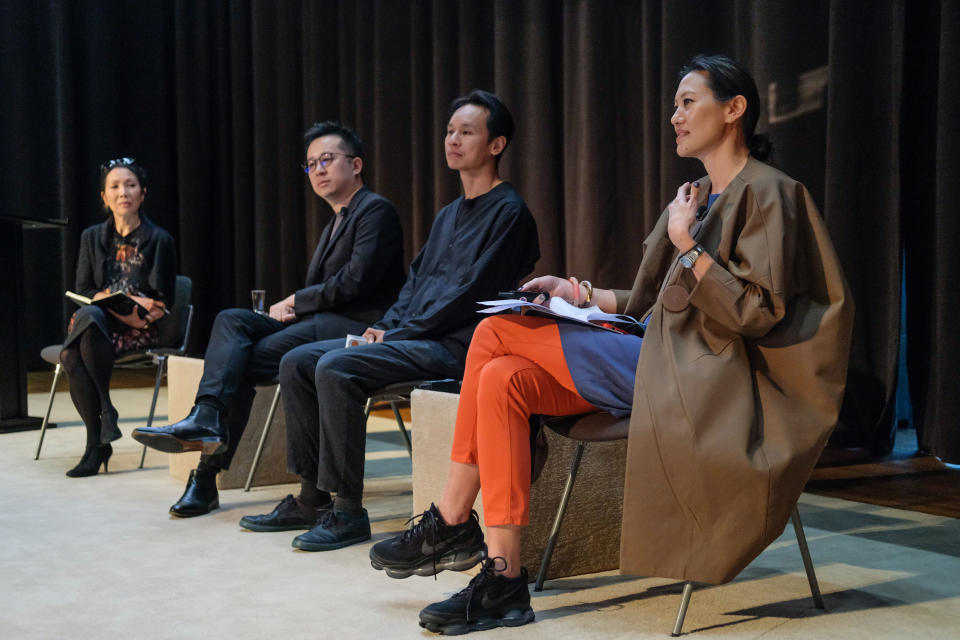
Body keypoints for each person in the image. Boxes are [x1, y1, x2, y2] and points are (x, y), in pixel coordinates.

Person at [369, 55, 854, 635]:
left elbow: (756, 312)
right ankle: (503, 579)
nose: (674, 116)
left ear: (734, 110)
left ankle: (451, 518)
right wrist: (573, 292)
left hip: (713, 376)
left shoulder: (772, 192)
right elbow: (640, 300)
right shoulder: (694, 194)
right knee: (502, 379)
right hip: (658, 357)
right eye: (674, 105)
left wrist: (686, 242)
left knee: (494, 332)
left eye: (687, 102)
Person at [234, 89, 540, 552]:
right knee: (296, 361)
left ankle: (348, 512)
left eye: (467, 132)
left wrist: (395, 333)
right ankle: (311, 498)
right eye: (450, 131)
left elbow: (468, 296)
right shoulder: (448, 215)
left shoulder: (510, 212)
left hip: (458, 347)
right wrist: (383, 327)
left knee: (335, 367)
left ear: (496, 145)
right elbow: (413, 284)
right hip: (413, 336)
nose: (452, 140)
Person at [132, 121, 405, 517]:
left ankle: (206, 472)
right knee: (232, 320)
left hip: (355, 324)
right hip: (321, 321)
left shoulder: (375, 211)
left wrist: (296, 299)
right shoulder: (334, 223)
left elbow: (355, 283)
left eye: (327, 159)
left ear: (357, 164)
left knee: (238, 362)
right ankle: (205, 419)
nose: (319, 170)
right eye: (311, 165)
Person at [60, 158, 177, 477]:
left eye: (130, 185)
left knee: (71, 352)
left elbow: (159, 302)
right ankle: (105, 414)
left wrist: (119, 304)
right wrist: (121, 303)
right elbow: (83, 288)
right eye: (115, 186)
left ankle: (95, 445)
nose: (123, 191)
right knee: (87, 317)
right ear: (104, 197)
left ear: (142, 194)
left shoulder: (159, 240)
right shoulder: (91, 237)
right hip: (98, 324)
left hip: (138, 330)